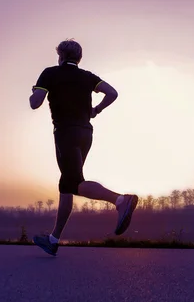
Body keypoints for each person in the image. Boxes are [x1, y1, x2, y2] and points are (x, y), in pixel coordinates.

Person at [29, 38, 138, 256]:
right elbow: (113, 93)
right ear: (79, 58)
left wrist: (35, 92)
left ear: (60, 56)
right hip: (85, 133)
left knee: (74, 182)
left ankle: (120, 200)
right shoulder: (87, 77)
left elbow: (35, 103)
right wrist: (96, 109)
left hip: (65, 133)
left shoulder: (50, 73)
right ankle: (53, 239)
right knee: (67, 184)